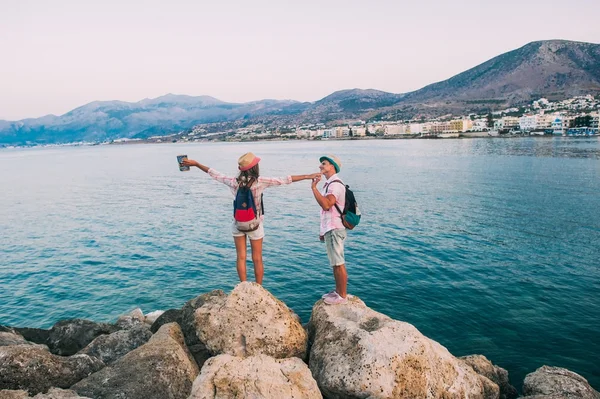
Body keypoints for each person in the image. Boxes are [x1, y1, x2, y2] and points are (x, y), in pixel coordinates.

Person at [182, 152, 319, 285]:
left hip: (238, 224)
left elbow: (213, 173)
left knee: (241, 257)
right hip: (255, 225)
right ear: (255, 167)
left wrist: (196, 164)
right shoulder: (260, 182)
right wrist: (308, 176)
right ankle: (258, 288)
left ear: (240, 169)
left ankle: (243, 286)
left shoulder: (233, 182)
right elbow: (285, 179)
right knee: (257, 258)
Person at [311, 154, 349, 305]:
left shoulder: (335, 185)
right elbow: (328, 211)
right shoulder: (330, 184)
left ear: (332, 167)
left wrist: (314, 188)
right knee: (335, 262)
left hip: (334, 228)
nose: (320, 166)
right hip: (331, 228)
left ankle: (342, 296)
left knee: (338, 263)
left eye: (324, 164)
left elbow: (326, 205)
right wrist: (323, 231)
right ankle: (339, 292)